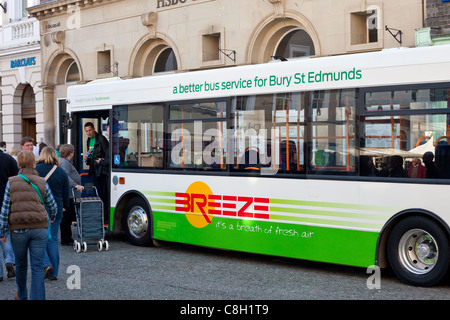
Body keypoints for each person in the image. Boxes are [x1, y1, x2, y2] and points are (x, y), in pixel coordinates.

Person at [0, 151, 58, 300]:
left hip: (18, 229)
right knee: (37, 267)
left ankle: (22, 295)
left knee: (20, 265)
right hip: (39, 228)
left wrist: (2, 231)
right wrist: (50, 217)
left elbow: (5, 209)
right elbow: (52, 205)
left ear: (19, 163)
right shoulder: (41, 181)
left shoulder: (11, 182)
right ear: (34, 163)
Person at [36, 147, 69, 280]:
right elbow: (65, 192)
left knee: (39, 239)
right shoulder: (60, 171)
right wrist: (65, 206)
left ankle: (46, 264)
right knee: (53, 239)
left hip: (40, 207)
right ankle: (54, 273)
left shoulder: (36, 170)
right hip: (57, 208)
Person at [83, 122, 109, 224]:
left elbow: (108, 154)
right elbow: (90, 154)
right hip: (93, 169)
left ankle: (104, 216)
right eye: (86, 131)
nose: (88, 133)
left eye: (89, 130)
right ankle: (98, 215)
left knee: (102, 194)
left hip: (102, 171)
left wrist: (102, 161)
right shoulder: (89, 140)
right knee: (95, 193)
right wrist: (87, 158)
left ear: (94, 129)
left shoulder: (101, 139)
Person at [58, 144, 84, 245]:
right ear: (71, 153)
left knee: (67, 218)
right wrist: (75, 185)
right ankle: (66, 238)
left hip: (70, 194)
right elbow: (66, 176)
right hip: (69, 194)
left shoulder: (64, 162)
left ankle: (67, 238)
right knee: (66, 218)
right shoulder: (65, 163)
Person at [0, 146, 19, 281]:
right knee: (5, 232)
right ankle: (9, 259)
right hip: (6, 200)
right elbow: (16, 180)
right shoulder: (9, 159)